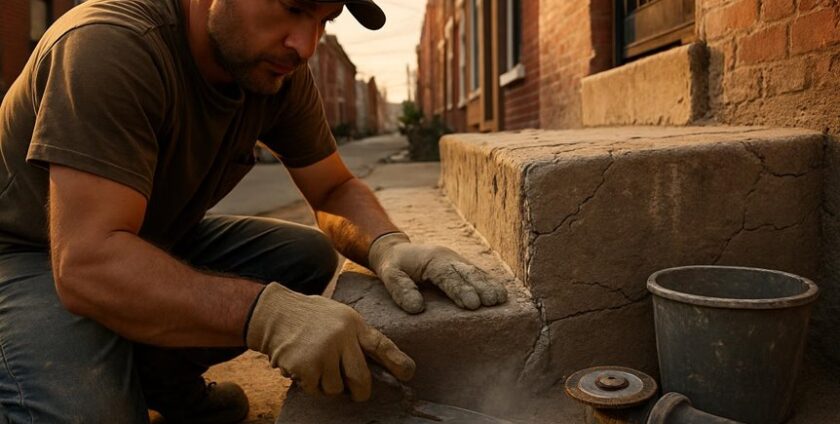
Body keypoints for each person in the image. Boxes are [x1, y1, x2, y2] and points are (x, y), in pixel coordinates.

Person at [0, 0, 508, 422]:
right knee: (89, 414)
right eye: (294, 8)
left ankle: (159, 379)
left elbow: (332, 188)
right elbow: (87, 263)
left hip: (139, 237)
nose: (304, 45)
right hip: (24, 253)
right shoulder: (111, 44)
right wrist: (264, 314)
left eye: (324, 20)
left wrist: (388, 245)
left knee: (302, 256)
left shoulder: (274, 70)